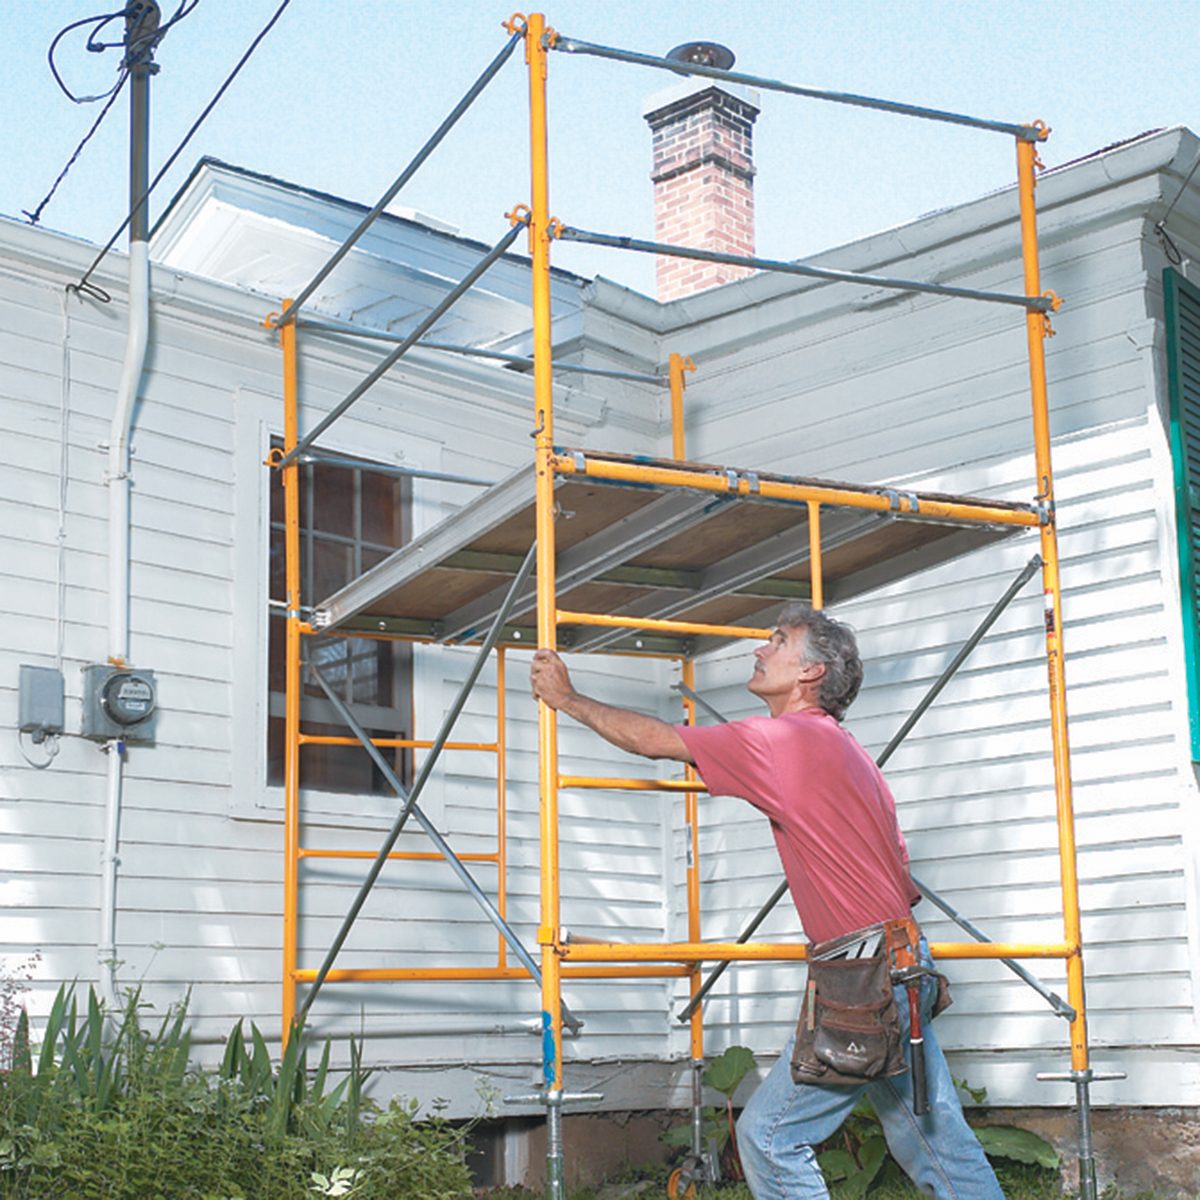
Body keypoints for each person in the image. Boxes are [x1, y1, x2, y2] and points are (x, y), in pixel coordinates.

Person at [530, 604, 1003, 1200]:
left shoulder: (782, 740)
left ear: (811, 672)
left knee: (770, 1140)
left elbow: (655, 741)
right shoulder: (848, 752)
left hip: (865, 976)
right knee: (934, 1136)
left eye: (777, 642)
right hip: (905, 964)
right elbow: (900, 873)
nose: (759, 650)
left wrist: (567, 698)